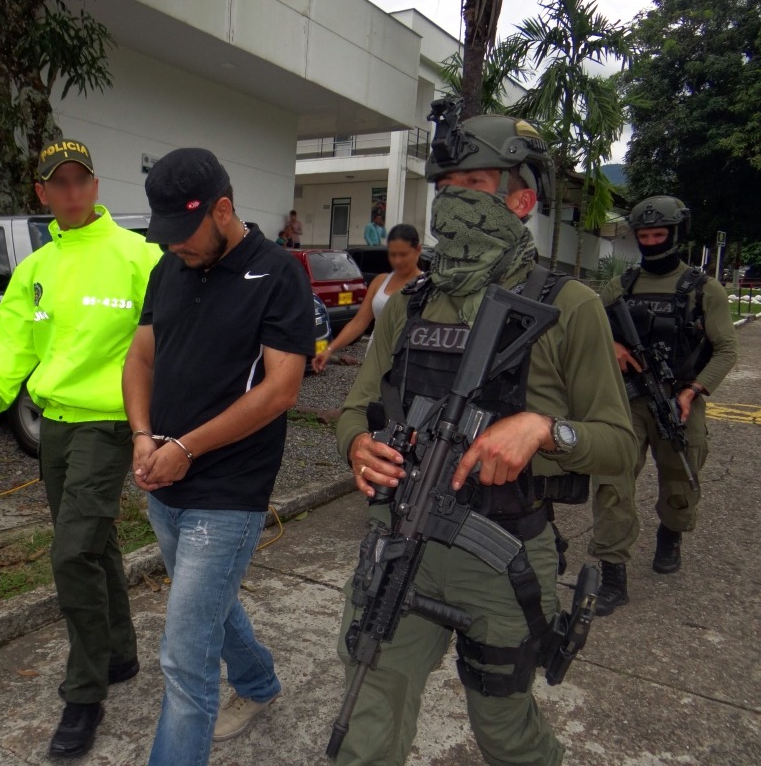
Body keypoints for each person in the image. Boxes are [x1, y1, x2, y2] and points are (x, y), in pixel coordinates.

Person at [332, 107, 636, 766]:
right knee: (365, 729)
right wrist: (356, 445)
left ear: (520, 198)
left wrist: (542, 429)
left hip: (502, 562)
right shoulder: (412, 302)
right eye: (445, 190)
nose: (453, 203)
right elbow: (354, 410)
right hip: (400, 541)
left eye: (473, 185)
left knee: (505, 733)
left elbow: (619, 444)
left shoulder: (570, 306)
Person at [0, 138, 160, 759]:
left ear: (95, 186)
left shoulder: (139, 257)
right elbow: (12, 349)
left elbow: (172, 340)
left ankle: (85, 693)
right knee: (96, 541)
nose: (71, 191)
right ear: (41, 193)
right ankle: (119, 654)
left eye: (80, 180)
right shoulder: (34, 271)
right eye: (57, 183)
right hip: (56, 430)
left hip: (111, 424)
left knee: (70, 553)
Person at [122, 147, 315, 766]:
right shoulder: (167, 269)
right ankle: (258, 682)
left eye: (184, 232)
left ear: (224, 209)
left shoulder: (279, 271)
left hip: (229, 490)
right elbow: (141, 358)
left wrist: (186, 447)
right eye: (166, 236)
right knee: (207, 604)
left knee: (185, 652)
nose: (174, 246)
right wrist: (143, 436)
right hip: (166, 482)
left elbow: (282, 389)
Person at [590, 195, 737, 615]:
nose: (652, 242)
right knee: (612, 483)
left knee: (681, 485)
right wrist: (613, 346)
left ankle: (670, 534)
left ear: (676, 234)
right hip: (626, 402)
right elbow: (588, 330)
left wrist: (692, 392)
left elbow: (726, 350)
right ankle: (613, 573)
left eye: (660, 235)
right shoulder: (620, 286)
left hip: (679, 401)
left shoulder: (704, 289)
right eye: (644, 235)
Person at [311, 223, 422, 373]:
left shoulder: (425, 285)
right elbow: (359, 323)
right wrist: (329, 349)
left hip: (409, 361)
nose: (397, 261)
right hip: (375, 359)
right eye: (393, 254)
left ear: (417, 251)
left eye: (403, 254)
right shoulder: (380, 281)